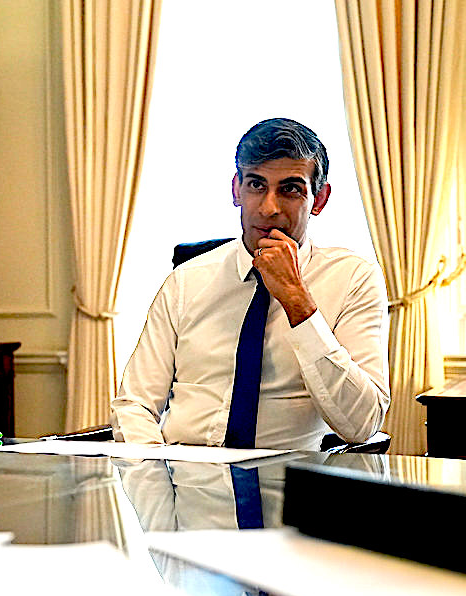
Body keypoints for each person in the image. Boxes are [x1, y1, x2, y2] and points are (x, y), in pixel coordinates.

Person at [111, 118, 389, 450]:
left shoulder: (354, 278)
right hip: (183, 472)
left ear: (319, 199)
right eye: (256, 185)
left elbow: (362, 424)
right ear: (236, 190)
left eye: (290, 189)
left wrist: (297, 300)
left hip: (287, 478)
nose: (269, 208)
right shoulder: (185, 281)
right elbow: (135, 406)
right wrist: (153, 475)